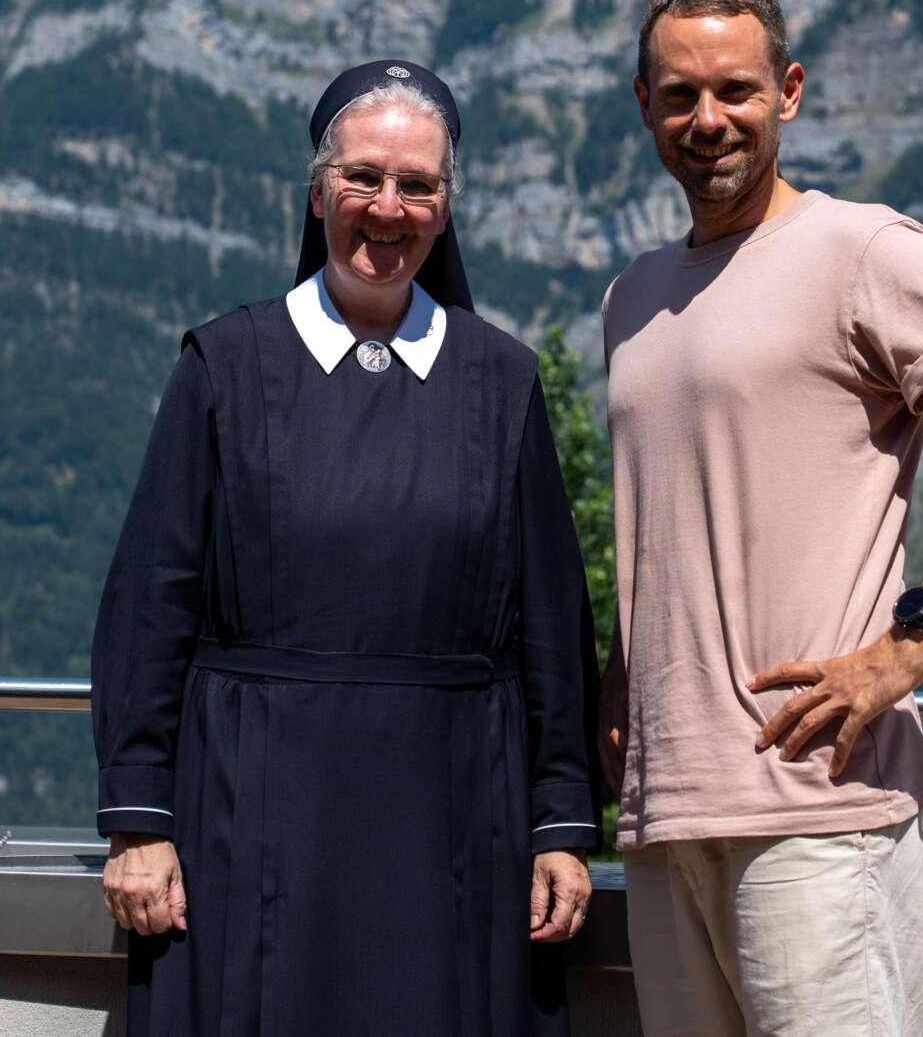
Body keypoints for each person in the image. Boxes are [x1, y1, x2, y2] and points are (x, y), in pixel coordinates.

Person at [600, 0, 923, 1037]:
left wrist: (913, 641)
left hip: (817, 805)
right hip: (664, 807)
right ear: (642, 104)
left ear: (788, 90)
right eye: (680, 95)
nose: (708, 121)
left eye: (735, 90)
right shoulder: (631, 295)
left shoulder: (861, 251)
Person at [91, 59, 603, 1037]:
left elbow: (549, 625)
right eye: (363, 178)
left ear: (446, 209)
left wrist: (562, 827)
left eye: (417, 186)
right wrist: (139, 822)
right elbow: (152, 601)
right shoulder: (223, 366)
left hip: (457, 818)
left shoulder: (501, 380)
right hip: (249, 814)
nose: (387, 208)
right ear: (318, 191)